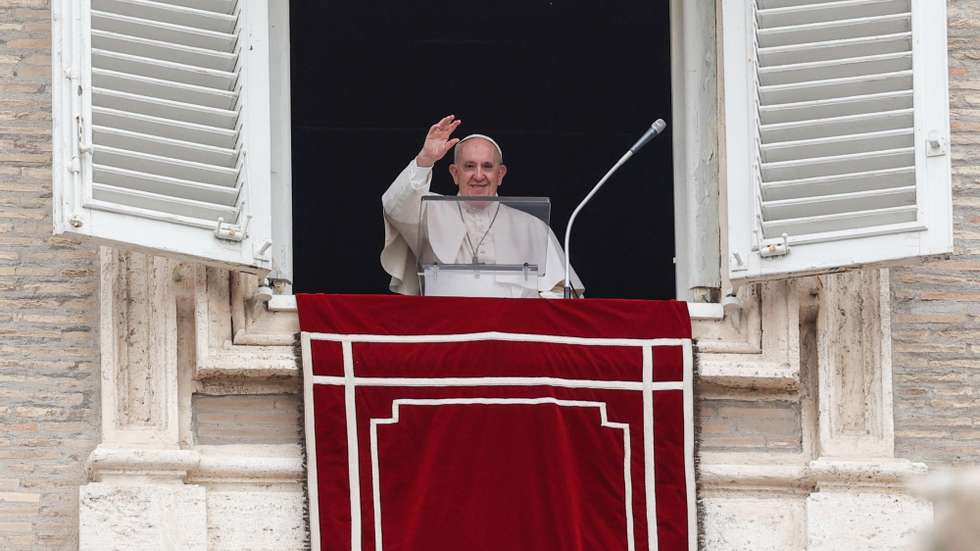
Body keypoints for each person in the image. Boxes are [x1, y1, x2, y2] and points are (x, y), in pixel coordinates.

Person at [381, 115, 583, 298]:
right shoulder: (430, 211)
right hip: (447, 330)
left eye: (487, 166)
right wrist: (425, 160)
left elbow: (562, 294)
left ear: (500, 174)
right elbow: (394, 207)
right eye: (469, 166)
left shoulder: (531, 226)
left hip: (510, 332)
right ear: (454, 173)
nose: (479, 176)